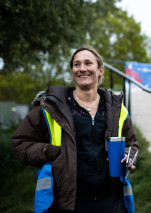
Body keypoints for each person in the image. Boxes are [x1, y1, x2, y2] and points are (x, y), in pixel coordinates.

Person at [11, 45, 139, 213]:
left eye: (88, 63)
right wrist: (54, 153)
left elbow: (132, 144)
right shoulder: (52, 107)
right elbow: (19, 143)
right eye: (76, 64)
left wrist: (128, 157)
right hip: (66, 202)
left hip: (111, 201)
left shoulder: (117, 110)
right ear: (72, 71)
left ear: (100, 70)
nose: (82, 68)